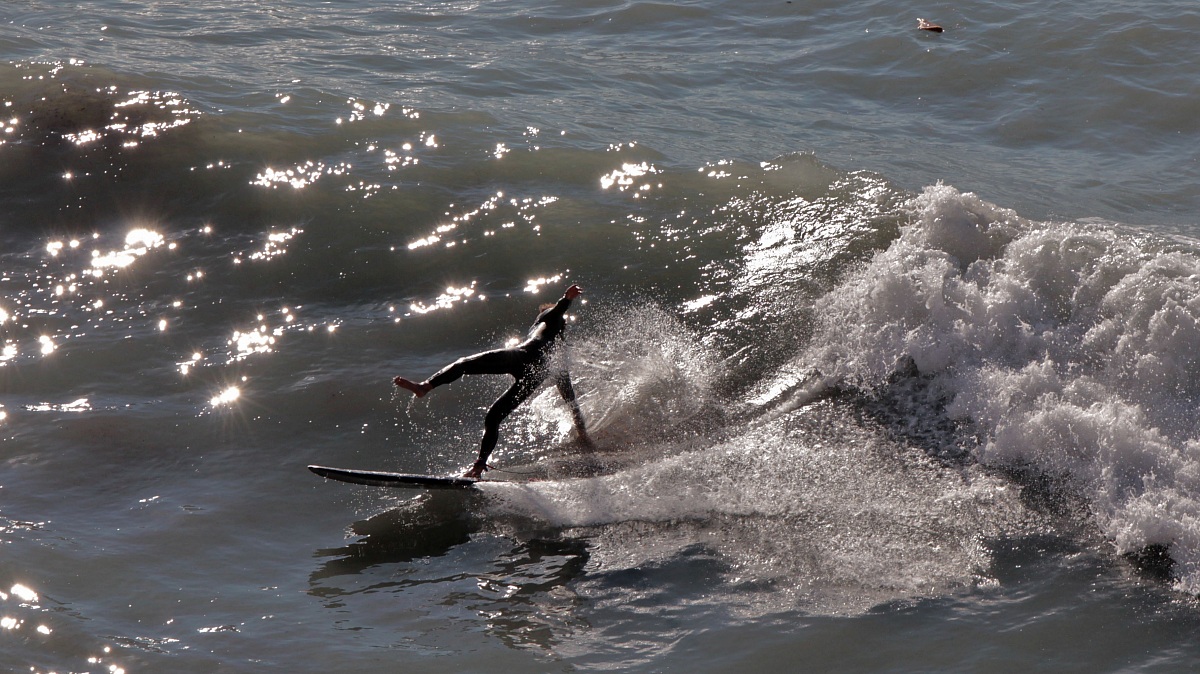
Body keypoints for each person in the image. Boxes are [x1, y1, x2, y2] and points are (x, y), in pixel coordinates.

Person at [394, 284, 591, 478]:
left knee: (463, 364)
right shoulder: (559, 357)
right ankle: (479, 465)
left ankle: (425, 387)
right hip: (532, 377)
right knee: (493, 418)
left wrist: (566, 299)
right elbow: (570, 399)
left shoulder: (550, 319)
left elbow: (555, 311)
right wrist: (583, 434)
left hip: (520, 357)